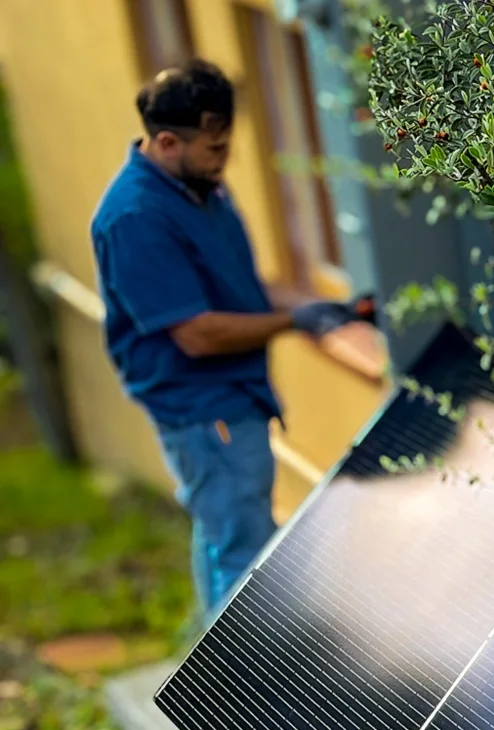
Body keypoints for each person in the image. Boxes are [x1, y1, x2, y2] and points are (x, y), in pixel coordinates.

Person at [91, 59, 368, 617]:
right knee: (244, 549)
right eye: (215, 148)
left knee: (223, 533)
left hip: (235, 395)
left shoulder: (202, 187)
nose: (226, 159)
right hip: (202, 410)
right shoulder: (135, 217)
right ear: (168, 143)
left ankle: (211, 651)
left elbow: (239, 288)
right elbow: (198, 334)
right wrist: (296, 322)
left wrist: (320, 309)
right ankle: (246, 671)